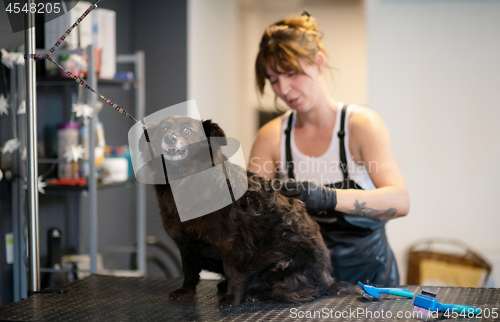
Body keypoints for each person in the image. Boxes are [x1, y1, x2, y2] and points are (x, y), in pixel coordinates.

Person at [248, 12, 410, 287]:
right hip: (303, 282)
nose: (283, 89)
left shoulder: (361, 125)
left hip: (371, 281)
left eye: (291, 73)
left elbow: (400, 202)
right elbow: (248, 212)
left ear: (318, 63)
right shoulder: (271, 137)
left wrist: (327, 198)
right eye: (273, 79)